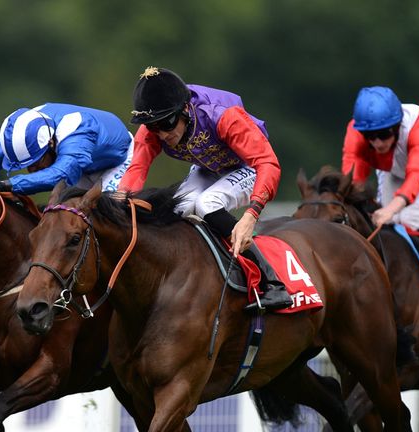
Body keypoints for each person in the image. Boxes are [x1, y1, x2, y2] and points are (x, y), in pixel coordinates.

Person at [119, 66, 291, 311]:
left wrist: (251, 215)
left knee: (206, 204)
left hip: (250, 165)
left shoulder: (222, 116)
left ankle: (272, 281)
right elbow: (136, 169)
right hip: (208, 167)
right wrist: (118, 205)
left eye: (167, 124)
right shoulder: (154, 129)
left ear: (185, 110)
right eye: (153, 127)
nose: (162, 134)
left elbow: (267, 163)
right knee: (178, 207)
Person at [0, 103, 133, 194]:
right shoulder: (22, 131)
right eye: (28, 165)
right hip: (79, 165)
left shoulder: (77, 132)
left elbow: (61, 174)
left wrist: (7, 184)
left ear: (50, 143)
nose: (32, 170)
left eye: (36, 162)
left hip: (116, 162)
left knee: (103, 214)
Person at [342, 86, 419, 235]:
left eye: (384, 134)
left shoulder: (416, 123)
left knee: (410, 218)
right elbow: (354, 176)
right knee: (381, 220)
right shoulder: (356, 131)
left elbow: (418, 172)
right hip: (393, 171)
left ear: (397, 126)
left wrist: (391, 208)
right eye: (370, 136)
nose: (377, 143)